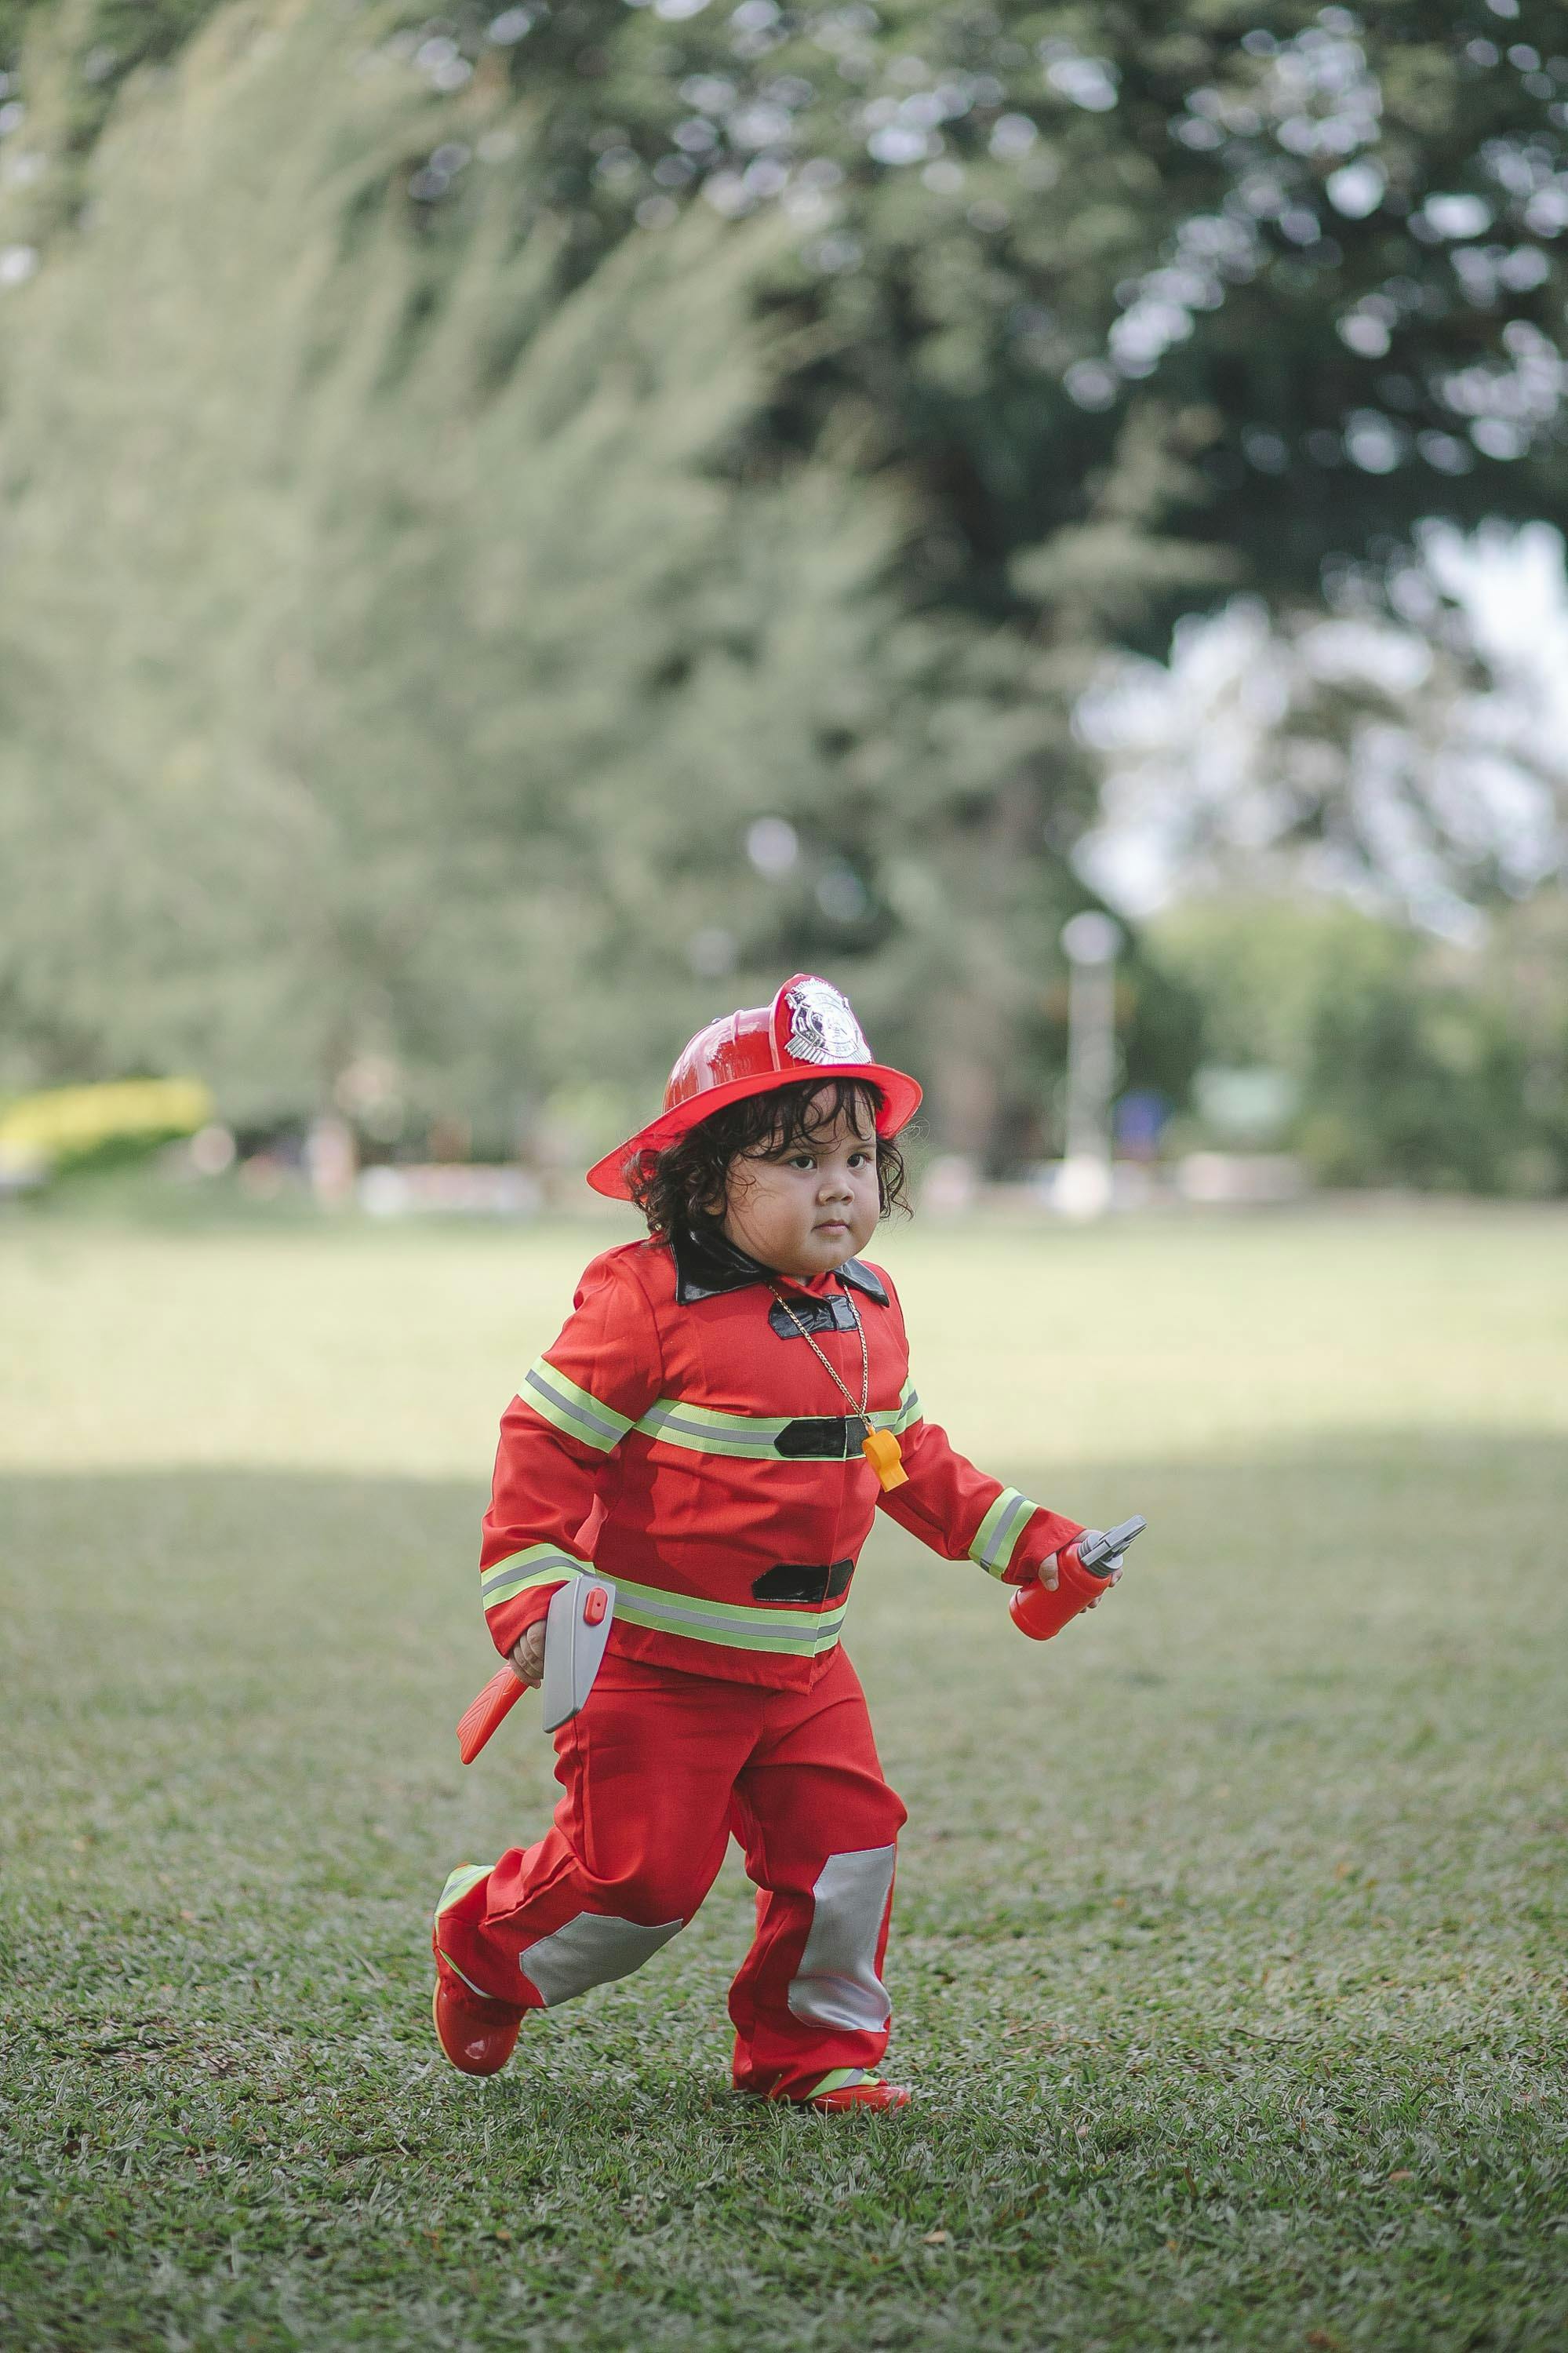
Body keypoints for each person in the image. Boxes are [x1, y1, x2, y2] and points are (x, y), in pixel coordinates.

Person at [431, 974, 1093, 2111]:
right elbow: (543, 1443)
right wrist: (531, 1591)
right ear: (702, 1176)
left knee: (848, 1847)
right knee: (638, 1886)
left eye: (856, 1158)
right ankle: (483, 1944)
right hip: (652, 1669)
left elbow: (909, 1459)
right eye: (796, 1159)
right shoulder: (643, 1300)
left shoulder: (869, 1306)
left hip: (804, 1668)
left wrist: (1034, 1544)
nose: (837, 1185)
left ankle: (808, 2052)